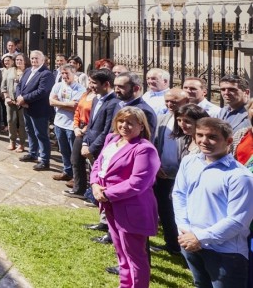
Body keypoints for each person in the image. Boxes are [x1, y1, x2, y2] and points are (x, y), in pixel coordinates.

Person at [173, 117, 253, 287]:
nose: (204, 141)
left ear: (229, 141)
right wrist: (185, 229)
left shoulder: (240, 177)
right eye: (200, 135)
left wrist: (199, 237)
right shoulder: (189, 161)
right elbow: (179, 195)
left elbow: (237, 221)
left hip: (225, 253)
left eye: (212, 137)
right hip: (190, 243)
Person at [90, 107, 160, 287]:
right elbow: (99, 164)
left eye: (131, 123)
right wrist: (95, 184)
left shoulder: (144, 149)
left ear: (141, 126)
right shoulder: (112, 139)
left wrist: (106, 194)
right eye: (121, 121)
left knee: (135, 256)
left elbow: (138, 182)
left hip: (132, 208)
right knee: (120, 251)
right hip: (110, 205)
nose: (124, 126)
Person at [151, 87, 190, 255]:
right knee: (165, 210)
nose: (169, 104)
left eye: (174, 102)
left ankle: (185, 247)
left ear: (186, 101)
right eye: (167, 101)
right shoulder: (162, 119)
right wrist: (156, 166)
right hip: (162, 174)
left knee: (181, 213)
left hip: (182, 176)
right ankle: (171, 244)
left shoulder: (190, 121)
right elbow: (155, 144)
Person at [16, 50, 56, 171]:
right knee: (30, 131)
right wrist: (19, 97)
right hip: (26, 108)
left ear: (42, 60)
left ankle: (44, 160)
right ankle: (33, 153)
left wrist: (25, 99)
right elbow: (19, 85)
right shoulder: (28, 70)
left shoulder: (46, 74)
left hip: (39, 109)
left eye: (36, 59)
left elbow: (42, 91)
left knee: (41, 134)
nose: (34, 61)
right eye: (32, 58)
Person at [49, 63, 85, 182]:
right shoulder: (58, 85)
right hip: (59, 123)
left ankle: (76, 176)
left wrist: (59, 103)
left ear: (73, 73)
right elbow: (51, 102)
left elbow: (75, 106)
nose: (64, 76)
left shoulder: (80, 89)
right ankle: (67, 171)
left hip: (71, 125)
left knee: (74, 153)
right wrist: (66, 104)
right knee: (63, 151)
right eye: (62, 73)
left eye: (67, 73)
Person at [1, 54, 26, 151]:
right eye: (17, 60)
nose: (18, 62)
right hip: (10, 101)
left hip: (23, 103)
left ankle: (22, 143)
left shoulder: (27, 71)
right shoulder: (10, 70)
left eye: (21, 60)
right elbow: (3, 86)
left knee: (22, 123)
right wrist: (6, 97)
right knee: (11, 121)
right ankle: (12, 142)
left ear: (25, 61)